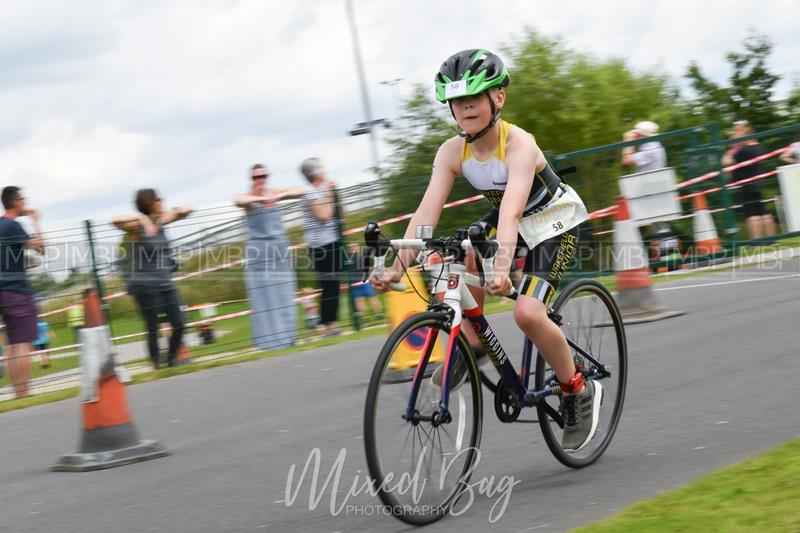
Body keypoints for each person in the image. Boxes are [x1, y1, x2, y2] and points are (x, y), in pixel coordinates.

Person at [370, 49, 599, 452]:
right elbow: (425, 215)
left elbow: (510, 215)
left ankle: (577, 388)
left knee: (528, 312)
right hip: (512, 221)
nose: (466, 107)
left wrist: (504, 265)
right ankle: (472, 348)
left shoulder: (519, 145)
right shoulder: (450, 152)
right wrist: (396, 268)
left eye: (475, 98)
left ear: (499, 100)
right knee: (456, 253)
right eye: (458, 101)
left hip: (553, 223)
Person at [112, 189, 191, 369]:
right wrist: (142, 219)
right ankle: (157, 365)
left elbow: (188, 209)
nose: (162, 201)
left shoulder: (162, 221)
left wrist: (172, 213)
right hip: (144, 284)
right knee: (153, 327)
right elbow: (115, 220)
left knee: (179, 323)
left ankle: (171, 361)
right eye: (159, 199)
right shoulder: (136, 227)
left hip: (165, 282)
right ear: (151, 203)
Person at [235, 164, 306, 350]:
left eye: (264, 175)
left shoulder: (273, 192)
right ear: (251, 179)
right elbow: (238, 200)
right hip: (260, 251)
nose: (261, 179)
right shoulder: (250, 200)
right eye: (256, 177)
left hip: (279, 248)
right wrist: (261, 199)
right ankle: (269, 341)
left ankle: (288, 336)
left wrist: (279, 196)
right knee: (263, 295)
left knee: (284, 292)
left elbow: (301, 191)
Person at [0, 186, 45, 398]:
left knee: (11, 344)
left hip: (2, 291)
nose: (26, 203)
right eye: (24, 199)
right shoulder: (13, 225)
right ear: (16, 201)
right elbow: (40, 247)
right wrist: (35, 220)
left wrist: (25, 261)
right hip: (16, 291)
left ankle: (17, 394)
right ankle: (24, 393)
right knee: (22, 343)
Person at [300, 158, 345, 336]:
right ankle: (327, 325)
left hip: (333, 241)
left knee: (334, 285)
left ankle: (331, 322)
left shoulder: (324, 190)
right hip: (320, 246)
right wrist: (328, 194)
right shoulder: (311, 193)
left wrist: (336, 193)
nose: (325, 171)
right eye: (321, 168)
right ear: (314, 172)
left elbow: (341, 212)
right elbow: (324, 216)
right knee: (328, 285)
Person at [722, 120, 776, 239]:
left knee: (752, 214)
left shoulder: (743, 150)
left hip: (746, 185)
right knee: (763, 212)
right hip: (759, 183)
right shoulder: (759, 147)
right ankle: (771, 239)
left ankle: (757, 241)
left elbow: (726, 161)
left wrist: (731, 149)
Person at [347, 243, 383, 321]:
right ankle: (378, 314)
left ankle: (364, 317)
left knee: (359, 300)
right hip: (364, 281)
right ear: (357, 248)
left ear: (350, 249)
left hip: (354, 283)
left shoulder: (348, 260)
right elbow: (370, 268)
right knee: (372, 297)